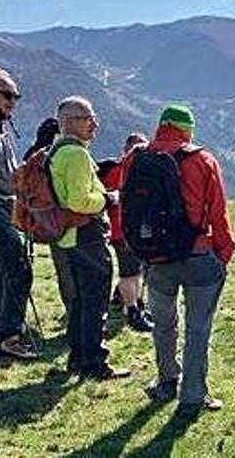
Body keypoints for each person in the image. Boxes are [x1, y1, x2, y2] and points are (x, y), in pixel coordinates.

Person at [125, 105, 234, 415]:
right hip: (199, 255)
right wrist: (223, 254)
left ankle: (166, 380)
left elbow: (128, 203)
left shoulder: (136, 157)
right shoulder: (202, 160)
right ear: (187, 130)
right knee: (198, 328)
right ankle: (193, 396)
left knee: (163, 323)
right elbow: (218, 213)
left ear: (161, 126)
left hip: (156, 257)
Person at [49, 95, 129, 379]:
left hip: (67, 238)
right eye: (87, 118)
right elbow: (80, 202)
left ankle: (78, 359)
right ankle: (95, 363)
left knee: (80, 302)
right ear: (69, 122)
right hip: (86, 235)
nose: (95, 123)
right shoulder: (76, 155)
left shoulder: (57, 151)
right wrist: (109, 198)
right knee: (95, 301)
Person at [0, 67, 36, 359]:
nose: (13, 101)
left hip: (4, 202)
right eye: (7, 95)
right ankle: (8, 336)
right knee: (17, 267)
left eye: (16, 96)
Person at [98, 132, 153, 332]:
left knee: (136, 271)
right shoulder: (119, 171)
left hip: (129, 230)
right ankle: (133, 311)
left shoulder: (116, 169)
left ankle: (128, 303)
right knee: (131, 272)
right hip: (123, 231)